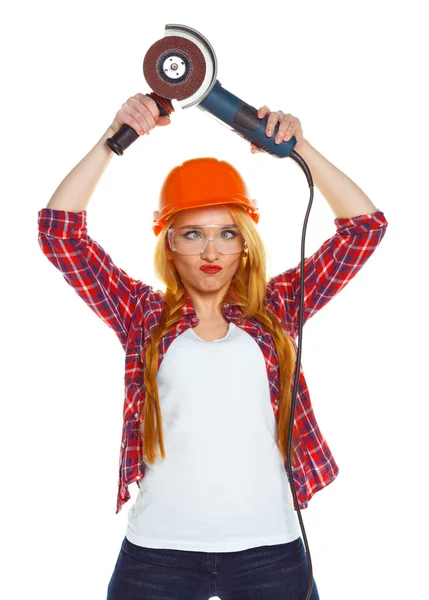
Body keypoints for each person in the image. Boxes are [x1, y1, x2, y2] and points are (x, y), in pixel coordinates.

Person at [37, 93, 388, 600]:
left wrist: (299, 150)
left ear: (245, 241)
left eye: (226, 232)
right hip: (158, 551)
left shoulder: (278, 307)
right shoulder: (141, 314)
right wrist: (115, 139)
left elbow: (364, 229)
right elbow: (59, 235)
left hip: (271, 548)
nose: (210, 250)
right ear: (169, 243)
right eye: (192, 233)